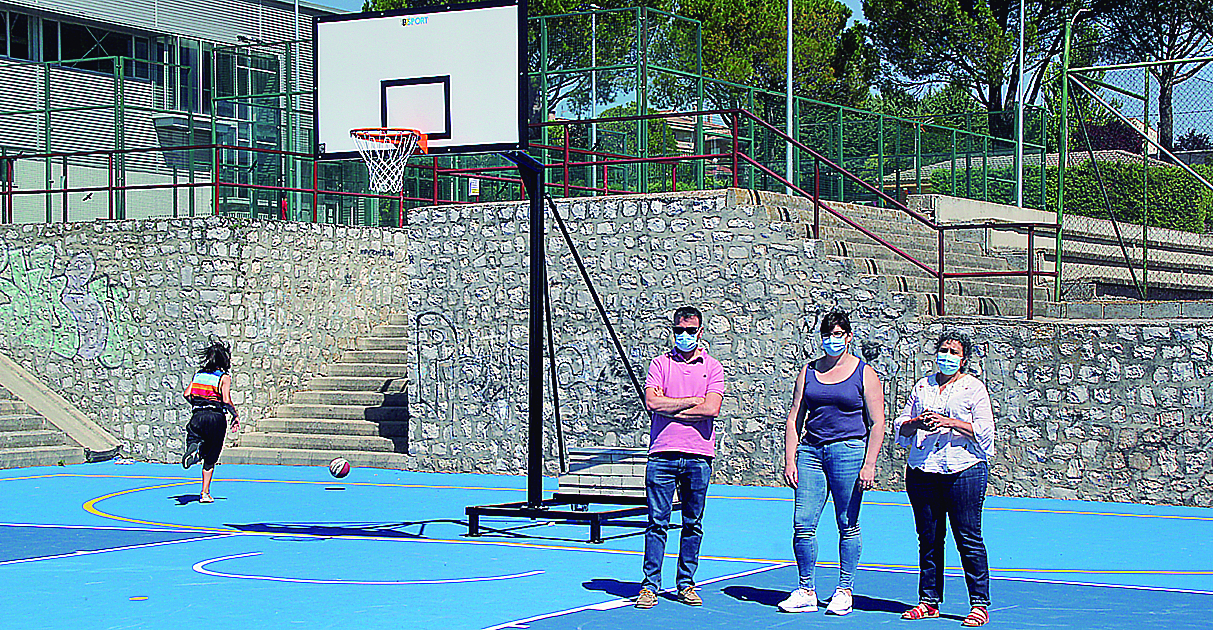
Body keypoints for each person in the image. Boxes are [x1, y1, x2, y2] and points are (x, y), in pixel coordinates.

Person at [779, 310, 886, 616]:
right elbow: (794, 417)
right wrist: (791, 458)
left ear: (848, 337)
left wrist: (869, 463)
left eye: (838, 335)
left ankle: (844, 590)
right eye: (827, 335)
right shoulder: (808, 371)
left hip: (848, 452)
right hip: (811, 453)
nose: (832, 341)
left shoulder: (864, 373)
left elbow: (877, 422)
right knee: (803, 523)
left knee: (847, 523)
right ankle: (806, 589)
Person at [895, 329, 994, 627]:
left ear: (963, 358)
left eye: (954, 352)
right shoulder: (922, 386)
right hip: (923, 469)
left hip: (964, 470)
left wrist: (949, 422)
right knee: (928, 537)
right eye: (943, 350)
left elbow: (985, 431)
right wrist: (916, 422)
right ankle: (928, 601)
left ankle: (979, 603)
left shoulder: (973, 388)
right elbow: (902, 424)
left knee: (968, 537)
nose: (947, 357)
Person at [635, 306, 725, 609]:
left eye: (690, 330)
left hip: (699, 456)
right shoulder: (659, 364)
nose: (684, 336)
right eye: (679, 330)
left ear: (700, 332)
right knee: (656, 521)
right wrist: (689, 402)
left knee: (693, 523)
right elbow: (652, 402)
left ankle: (686, 583)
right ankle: (650, 586)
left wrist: (670, 406)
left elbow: (711, 408)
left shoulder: (712, 367)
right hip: (662, 454)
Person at [181, 339, 239, 503]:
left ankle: (194, 449)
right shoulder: (224, 377)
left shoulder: (198, 375)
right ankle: (205, 493)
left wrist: (197, 404)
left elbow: (187, 394)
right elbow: (226, 400)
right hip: (216, 416)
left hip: (198, 414)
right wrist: (235, 414)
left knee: (194, 437)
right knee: (211, 456)